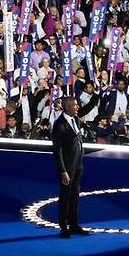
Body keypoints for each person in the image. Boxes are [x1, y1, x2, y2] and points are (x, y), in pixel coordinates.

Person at [51, 96, 88, 238]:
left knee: (75, 196)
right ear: (67, 107)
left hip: (78, 164)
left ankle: (73, 224)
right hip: (67, 166)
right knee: (65, 196)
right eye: (75, 105)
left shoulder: (76, 119)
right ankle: (63, 226)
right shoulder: (59, 124)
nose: (77, 107)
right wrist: (63, 171)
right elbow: (57, 149)